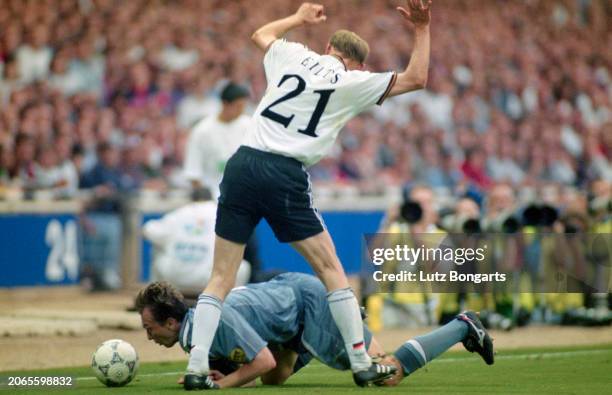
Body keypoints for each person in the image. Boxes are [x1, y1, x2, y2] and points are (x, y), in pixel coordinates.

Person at [187, 1, 432, 388]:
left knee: (220, 277)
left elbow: (261, 35)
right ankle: (360, 361)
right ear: (355, 64)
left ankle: (196, 369)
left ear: (329, 48)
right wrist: (421, 28)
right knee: (332, 270)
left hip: (242, 164)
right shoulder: (352, 81)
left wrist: (298, 19)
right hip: (284, 171)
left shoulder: (293, 53)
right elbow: (417, 78)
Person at [135, 273, 494, 389]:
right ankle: (348, 318)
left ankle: (462, 327)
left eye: (150, 328)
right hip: (289, 314)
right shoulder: (199, 325)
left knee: (386, 374)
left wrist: (219, 384)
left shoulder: (214, 322)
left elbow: (258, 361)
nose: (148, 336)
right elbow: (258, 363)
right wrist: (222, 372)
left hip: (308, 305)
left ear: (171, 322)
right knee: (276, 379)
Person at [142, 188, 251, 296]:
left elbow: (148, 230)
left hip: (175, 279)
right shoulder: (220, 213)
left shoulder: (179, 213)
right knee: (243, 266)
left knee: (158, 250)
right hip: (212, 282)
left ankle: (155, 299)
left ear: (192, 198)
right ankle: (229, 304)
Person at [183, 82, 251, 196]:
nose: (241, 111)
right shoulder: (202, 131)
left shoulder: (249, 126)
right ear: (225, 104)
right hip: (212, 199)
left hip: (243, 198)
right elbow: (193, 173)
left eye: (243, 106)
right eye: (238, 106)